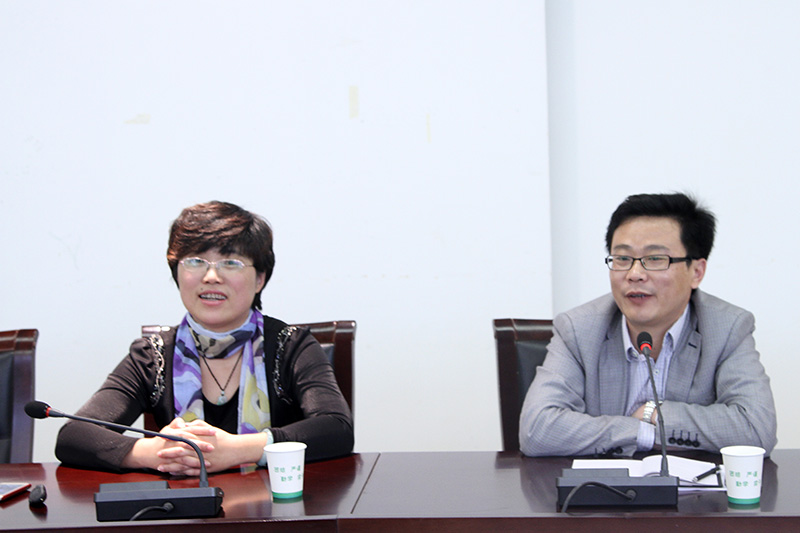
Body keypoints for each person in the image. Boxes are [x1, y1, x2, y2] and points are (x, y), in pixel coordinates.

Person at [56, 201, 353, 475]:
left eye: (230, 263)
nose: (211, 276)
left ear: (260, 279)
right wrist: (156, 452)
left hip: (276, 507)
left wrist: (238, 450)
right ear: (177, 273)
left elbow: (336, 428)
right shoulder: (153, 356)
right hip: (185, 509)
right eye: (196, 262)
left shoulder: (290, 346)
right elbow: (74, 436)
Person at [519, 193, 777, 457]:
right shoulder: (578, 329)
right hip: (603, 483)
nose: (635, 274)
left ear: (696, 272)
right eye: (622, 259)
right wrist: (643, 431)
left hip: (694, 485)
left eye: (655, 259)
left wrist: (653, 412)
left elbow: (757, 430)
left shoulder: (727, 328)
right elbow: (537, 431)